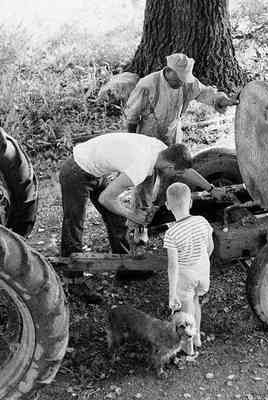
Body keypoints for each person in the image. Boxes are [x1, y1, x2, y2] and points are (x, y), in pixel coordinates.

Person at [59, 132, 223, 303]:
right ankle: (74, 282)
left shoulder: (162, 151)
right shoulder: (141, 167)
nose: (176, 176)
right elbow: (105, 199)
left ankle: (126, 268)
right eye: (176, 173)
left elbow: (185, 171)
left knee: (116, 219)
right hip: (76, 171)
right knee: (74, 227)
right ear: (170, 167)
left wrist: (211, 189)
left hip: (96, 169)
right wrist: (132, 215)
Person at [123, 53, 238, 145]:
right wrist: (134, 143)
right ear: (168, 71)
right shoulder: (147, 85)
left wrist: (223, 100)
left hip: (172, 133)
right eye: (178, 79)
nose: (181, 83)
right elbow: (131, 117)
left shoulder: (187, 83)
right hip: (148, 135)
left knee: (171, 167)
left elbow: (205, 93)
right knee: (148, 169)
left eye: (184, 80)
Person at [164, 182, 213, 357]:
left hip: (186, 275)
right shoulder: (202, 221)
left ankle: (189, 349)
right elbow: (210, 247)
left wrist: (172, 294)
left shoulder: (171, 234)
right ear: (191, 202)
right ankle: (197, 336)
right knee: (195, 302)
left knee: (186, 314)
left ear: (168, 206)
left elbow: (173, 266)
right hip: (202, 272)